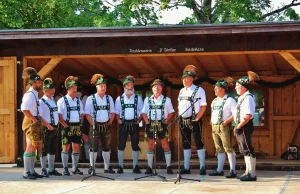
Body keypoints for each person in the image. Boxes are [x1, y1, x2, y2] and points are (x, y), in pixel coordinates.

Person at [178, 65, 207, 175]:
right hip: (183, 119)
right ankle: (186, 167)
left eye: (186, 78)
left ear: (191, 79)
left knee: (198, 142)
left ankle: (202, 166)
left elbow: (203, 106)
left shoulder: (199, 90)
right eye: (183, 79)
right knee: (186, 143)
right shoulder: (181, 91)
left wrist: (197, 118)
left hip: (194, 119)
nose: (184, 80)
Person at [142, 79, 175, 174]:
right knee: (150, 145)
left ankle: (168, 166)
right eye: (154, 86)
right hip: (150, 123)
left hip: (161, 124)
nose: (156, 87)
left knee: (165, 144)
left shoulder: (166, 100)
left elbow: (171, 112)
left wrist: (166, 121)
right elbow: (144, 112)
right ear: (152, 88)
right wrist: (147, 122)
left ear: (162, 88)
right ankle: (149, 167)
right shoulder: (147, 99)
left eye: (158, 86)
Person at [85, 74, 115, 174]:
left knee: (106, 146)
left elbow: (112, 112)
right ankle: (92, 167)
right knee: (93, 146)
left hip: (106, 125)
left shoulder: (109, 98)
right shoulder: (91, 98)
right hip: (95, 125)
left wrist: (110, 121)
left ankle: (107, 167)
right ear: (96, 87)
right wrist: (92, 123)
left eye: (104, 86)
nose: (103, 88)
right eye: (101, 86)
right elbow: (87, 114)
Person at [208, 78, 237, 178]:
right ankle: (219, 170)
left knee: (228, 147)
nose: (215, 90)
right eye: (215, 88)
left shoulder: (230, 100)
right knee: (218, 149)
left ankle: (233, 170)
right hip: (215, 126)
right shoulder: (214, 101)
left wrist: (226, 122)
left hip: (224, 126)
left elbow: (235, 114)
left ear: (223, 89)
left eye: (217, 88)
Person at [233, 71, 259, 181]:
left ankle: (252, 174)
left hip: (245, 126)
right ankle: (247, 172)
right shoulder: (242, 97)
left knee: (248, 149)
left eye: (237, 86)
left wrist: (239, 126)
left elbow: (248, 115)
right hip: (241, 125)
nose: (235, 88)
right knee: (244, 149)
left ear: (243, 87)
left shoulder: (248, 98)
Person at [115, 75, 144, 174]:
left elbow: (142, 111)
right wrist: (118, 119)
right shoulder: (119, 99)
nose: (130, 87)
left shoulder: (137, 98)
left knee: (135, 145)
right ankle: (120, 166)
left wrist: (139, 120)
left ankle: (135, 166)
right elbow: (116, 112)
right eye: (128, 85)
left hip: (134, 124)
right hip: (123, 123)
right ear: (124, 87)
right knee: (121, 144)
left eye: (131, 85)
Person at [57, 76, 84, 175]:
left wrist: (81, 123)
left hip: (77, 125)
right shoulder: (62, 100)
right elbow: (59, 115)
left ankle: (74, 168)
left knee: (76, 146)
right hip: (67, 125)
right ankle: (65, 168)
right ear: (68, 88)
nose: (75, 89)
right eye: (73, 87)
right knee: (66, 146)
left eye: (75, 87)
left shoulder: (78, 100)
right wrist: (64, 125)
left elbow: (82, 113)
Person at [21, 67, 44, 179]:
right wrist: (34, 119)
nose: (41, 84)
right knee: (30, 147)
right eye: (39, 82)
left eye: (40, 82)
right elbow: (24, 109)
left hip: (34, 119)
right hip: (30, 121)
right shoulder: (30, 94)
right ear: (33, 83)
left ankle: (31, 170)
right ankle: (26, 172)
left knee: (34, 147)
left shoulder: (35, 93)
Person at [39, 78, 62, 177]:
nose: (53, 91)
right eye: (51, 90)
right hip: (46, 127)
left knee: (53, 148)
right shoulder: (41, 101)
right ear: (45, 91)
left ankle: (51, 169)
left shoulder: (53, 100)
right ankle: (43, 169)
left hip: (54, 127)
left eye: (53, 89)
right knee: (44, 148)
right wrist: (48, 125)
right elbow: (39, 116)